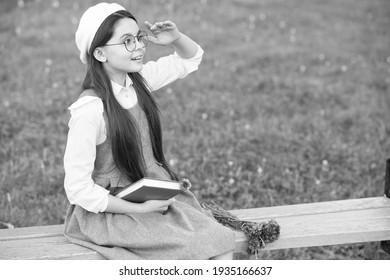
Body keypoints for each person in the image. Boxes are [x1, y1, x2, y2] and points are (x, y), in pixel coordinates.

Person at [63, 2, 235, 260]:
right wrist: (141, 209)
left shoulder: (139, 81)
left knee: (219, 239)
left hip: (147, 195)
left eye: (138, 37)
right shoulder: (90, 111)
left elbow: (190, 59)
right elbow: (78, 189)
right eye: (127, 41)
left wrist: (175, 38)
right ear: (99, 54)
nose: (140, 46)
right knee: (194, 248)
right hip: (109, 212)